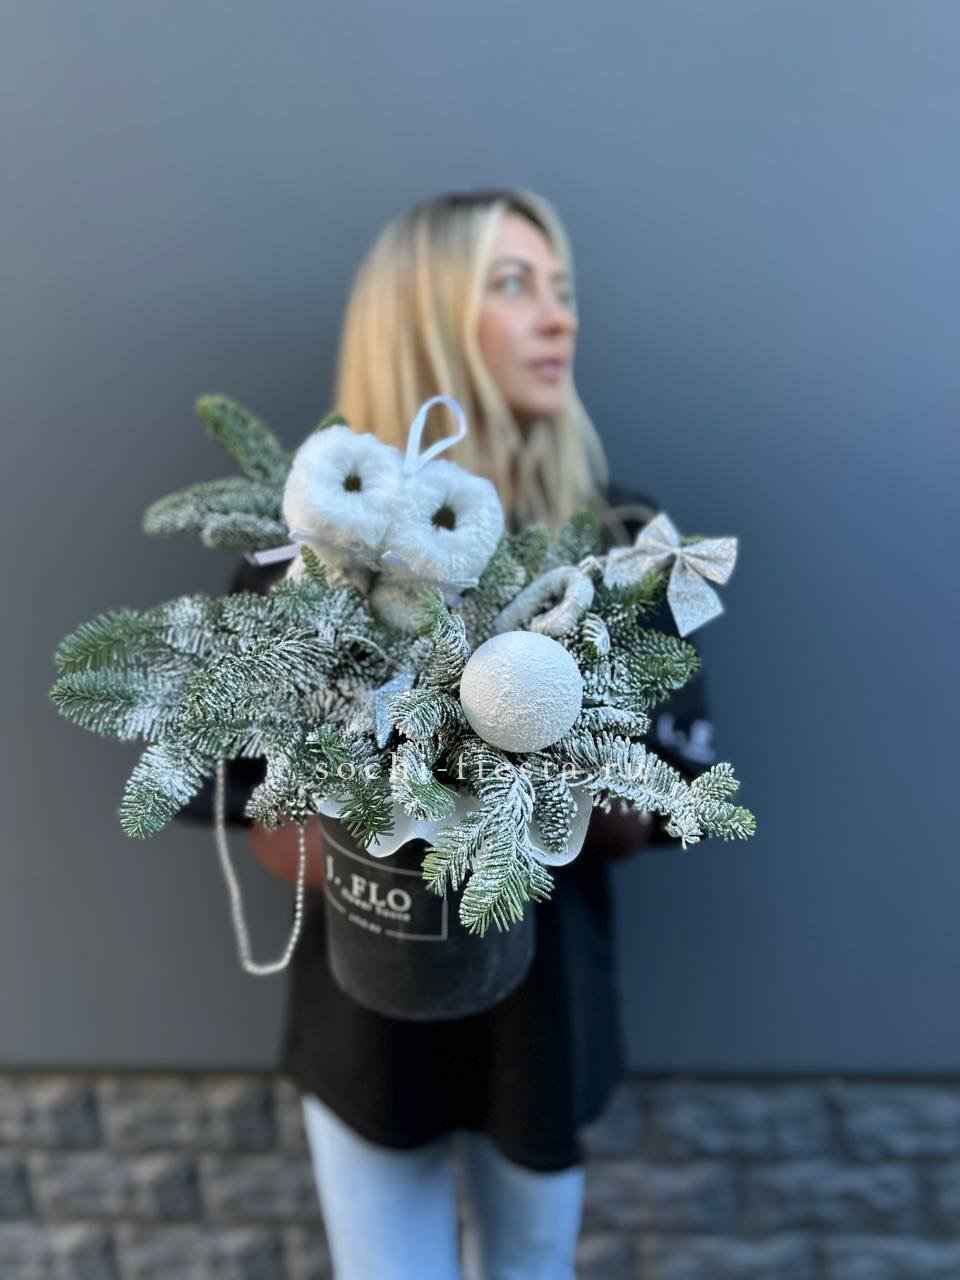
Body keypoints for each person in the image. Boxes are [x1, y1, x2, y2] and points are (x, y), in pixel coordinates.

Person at [180, 188, 714, 1279]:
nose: (559, 316)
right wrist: (390, 809)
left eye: (561, 287)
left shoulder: (617, 546)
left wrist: (549, 757)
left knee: (533, 1264)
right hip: (365, 1021)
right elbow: (261, 819)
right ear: (420, 316)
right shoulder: (306, 561)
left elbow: (658, 799)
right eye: (514, 285)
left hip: (545, 1016)